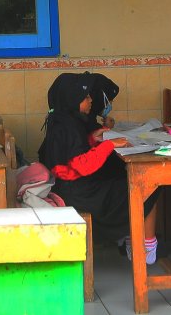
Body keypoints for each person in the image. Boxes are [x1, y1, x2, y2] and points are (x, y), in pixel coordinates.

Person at [38, 73, 160, 264]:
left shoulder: (62, 121)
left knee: (123, 182)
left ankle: (131, 236)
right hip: (79, 194)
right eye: (86, 97)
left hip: (70, 188)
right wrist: (109, 145)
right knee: (147, 188)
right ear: (73, 99)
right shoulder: (67, 127)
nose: (91, 100)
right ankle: (146, 248)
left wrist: (92, 139)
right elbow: (83, 165)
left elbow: (71, 156)